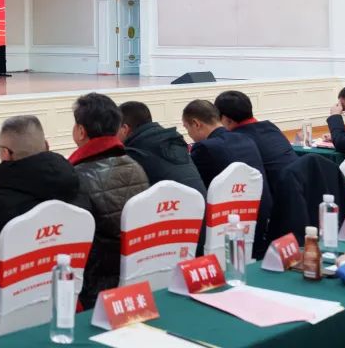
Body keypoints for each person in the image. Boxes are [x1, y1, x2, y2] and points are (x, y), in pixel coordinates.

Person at [0, 115, 81, 336]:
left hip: (0, 314)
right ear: (46, 146)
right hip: (61, 304)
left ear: (5, 154)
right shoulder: (77, 189)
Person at [69, 93, 148, 309]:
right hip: (133, 274)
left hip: (93, 288)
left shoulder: (75, 177)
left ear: (81, 131)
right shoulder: (136, 166)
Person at [182, 99, 272, 258]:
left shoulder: (204, 149)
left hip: (225, 232)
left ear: (196, 124)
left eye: (187, 128)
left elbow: (196, 189)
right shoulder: (246, 139)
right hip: (257, 224)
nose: (188, 134)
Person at [215, 90, 297, 199]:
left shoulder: (238, 140)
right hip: (300, 189)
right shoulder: (270, 126)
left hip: (279, 199)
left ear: (226, 119)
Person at [118, 100, 205, 196]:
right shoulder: (172, 139)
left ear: (125, 129)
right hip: (200, 201)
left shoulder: (134, 153)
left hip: (175, 203)